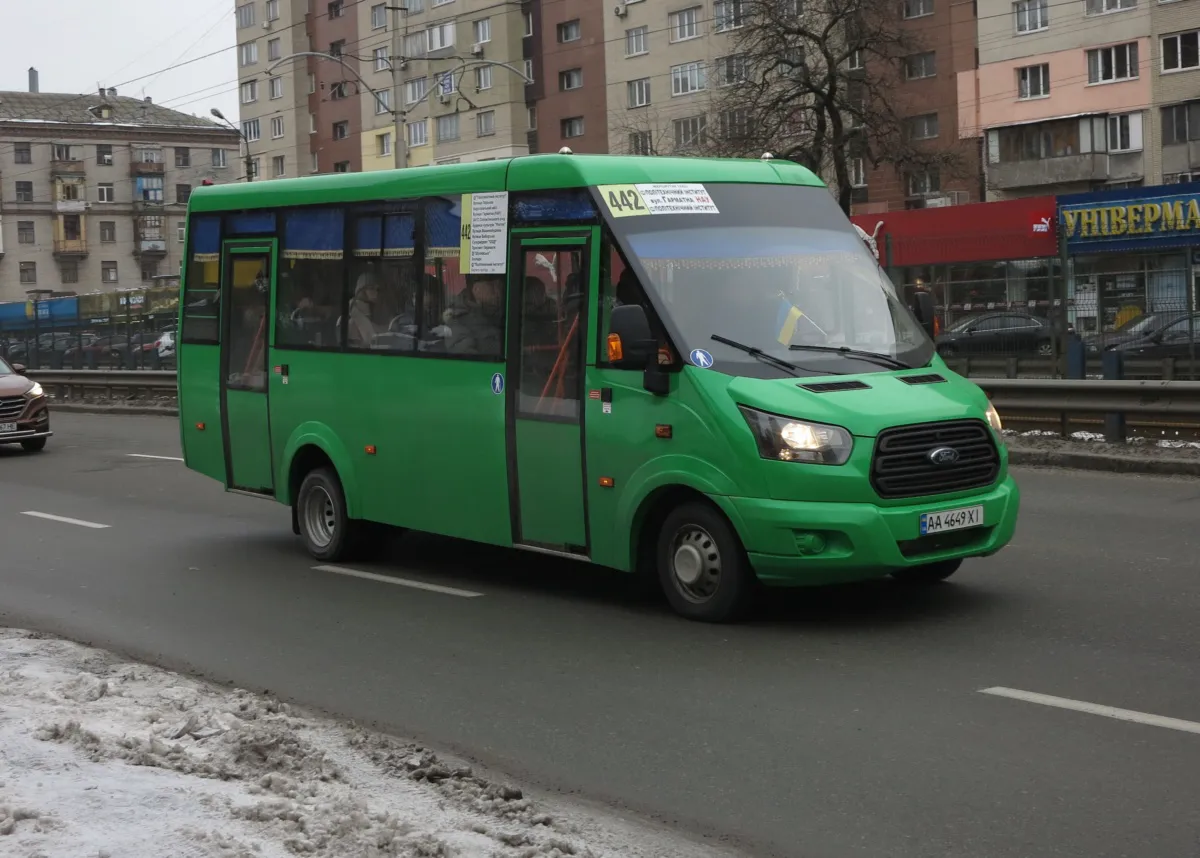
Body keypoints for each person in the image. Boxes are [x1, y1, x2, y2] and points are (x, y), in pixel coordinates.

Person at [444, 274, 504, 355]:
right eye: (492, 287)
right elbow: (465, 357)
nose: (498, 292)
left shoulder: (501, 311)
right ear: (476, 289)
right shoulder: (457, 319)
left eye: (500, 287)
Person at [348, 272, 382, 346]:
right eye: (371, 288)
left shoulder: (375, 316)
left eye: (377, 289)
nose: (375, 292)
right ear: (362, 290)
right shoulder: (351, 322)